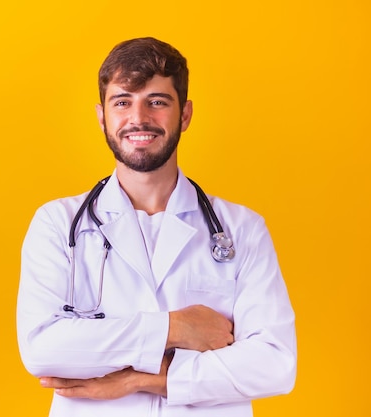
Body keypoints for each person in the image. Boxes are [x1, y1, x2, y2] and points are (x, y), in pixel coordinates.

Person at [16, 37, 296, 417]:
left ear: (185, 114)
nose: (139, 118)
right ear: (102, 116)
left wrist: (141, 378)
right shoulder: (56, 224)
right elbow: (43, 349)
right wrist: (174, 328)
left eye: (157, 101)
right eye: (122, 102)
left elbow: (275, 364)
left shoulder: (242, 229)